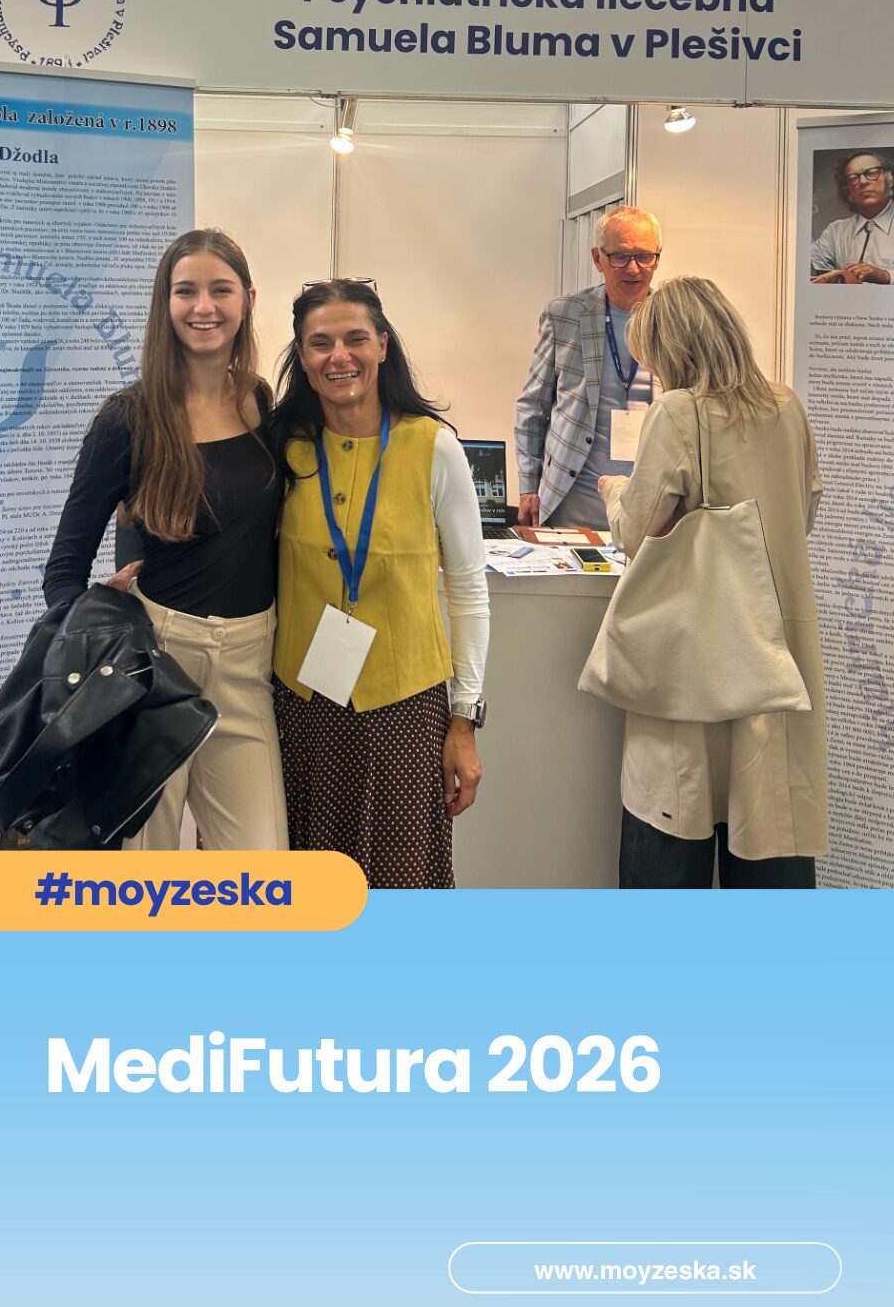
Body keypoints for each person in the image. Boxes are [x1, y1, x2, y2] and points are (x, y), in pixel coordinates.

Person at [42, 228, 287, 850]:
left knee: (263, 868)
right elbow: (65, 565)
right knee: (144, 870)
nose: (204, 307)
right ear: (165, 302)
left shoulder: (260, 402)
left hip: (250, 662)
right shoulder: (128, 418)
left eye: (220, 290)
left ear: (248, 300)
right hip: (156, 663)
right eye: (186, 291)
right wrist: (98, 633)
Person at [597, 276, 828, 889]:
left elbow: (636, 530)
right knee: (769, 847)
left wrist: (613, 489)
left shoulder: (678, 412)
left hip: (701, 656)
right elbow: (804, 510)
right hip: (776, 650)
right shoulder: (786, 407)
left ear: (670, 348)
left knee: (672, 835)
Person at [270, 279, 489, 888]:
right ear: (302, 356)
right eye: (320, 343)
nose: (339, 356)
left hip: (406, 712)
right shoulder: (283, 448)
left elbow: (468, 590)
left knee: (400, 883)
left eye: (356, 339)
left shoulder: (434, 448)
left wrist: (465, 721)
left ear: (383, 346)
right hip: (301, 710)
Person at [515, 206, 662, 530]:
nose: (634, 268)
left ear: (657, 258)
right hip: (573, 504)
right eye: (620, 257)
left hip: (651, 507)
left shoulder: (674, 321)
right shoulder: (565, 316)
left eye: (644, 256)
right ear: (598, 258)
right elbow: (532, 408)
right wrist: (528, 486)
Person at [811, 151, 894, 285]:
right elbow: (807, 269)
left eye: (872, 173)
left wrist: (886, 276)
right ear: (848, 192)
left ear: (890, 180)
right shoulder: (835, 231)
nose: (863, 182)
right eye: (853, 178)